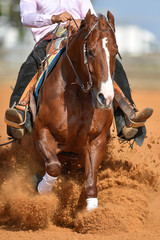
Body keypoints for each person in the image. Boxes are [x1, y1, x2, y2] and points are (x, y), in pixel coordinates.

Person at [5, 0, 153, 145]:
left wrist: (81, 21)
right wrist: (53, 18)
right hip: (50, 37)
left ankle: (127, 117)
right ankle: (19, 112)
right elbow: (26, 17)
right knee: (31, 65)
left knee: (111, 64)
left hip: (80, 35)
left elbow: (93, 17)